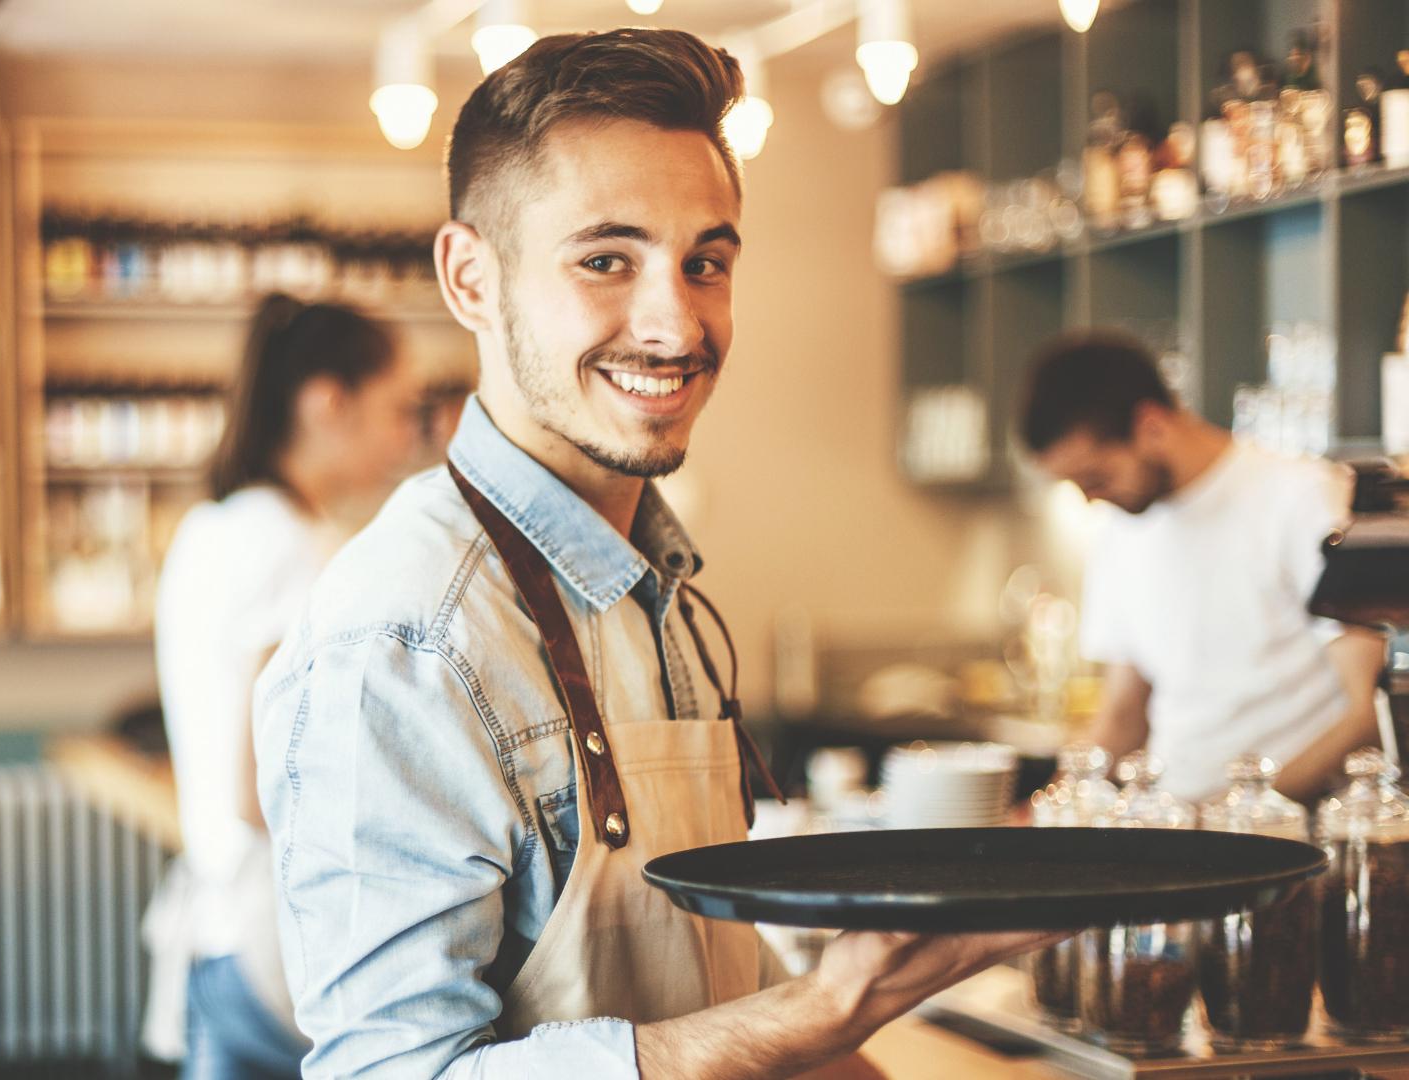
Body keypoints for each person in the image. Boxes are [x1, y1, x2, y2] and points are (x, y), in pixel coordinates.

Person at [253, 29, 1058, 1079]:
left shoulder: (651, 585)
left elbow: (709, 980)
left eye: (706, 263)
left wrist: (838, 1027)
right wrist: (816, 1013)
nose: (676, 326)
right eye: (605, 261)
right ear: (472, 279)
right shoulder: (405, 638)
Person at [152, 294, 423, 1079]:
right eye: (396, 409)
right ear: (326, 402)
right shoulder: (300, 551)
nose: (408, 436)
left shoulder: (215, 527)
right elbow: (259, 785)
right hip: (280, 940)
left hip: (217, 932)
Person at [1019, 330, 1385, 801]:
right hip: (1177, 827)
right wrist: (1048, 815)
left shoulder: (1300, 498)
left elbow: (1367, 712)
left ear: (1150, 424)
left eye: (1096, 477)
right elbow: (1123, 717)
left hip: (1289, 835)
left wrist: (1250, 817)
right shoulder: (1120, 529)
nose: (1090, 499)